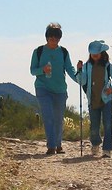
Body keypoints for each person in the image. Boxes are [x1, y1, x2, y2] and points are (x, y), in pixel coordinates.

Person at [30, 22, 77, 155]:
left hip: (60, 89)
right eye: (51, 37)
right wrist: (42, 70)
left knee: (58, 117)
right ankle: (51, 146)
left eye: (56, 37)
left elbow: (69, 69)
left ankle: (58, 144)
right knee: (48, 115)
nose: (54, 40)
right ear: (47, 37)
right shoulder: (38, 52)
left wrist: (80, 79)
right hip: (42, 88)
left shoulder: (63, 52)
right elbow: (33, 70)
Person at [75, 40, 112, 158]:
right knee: (94, 125)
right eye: (92, 54)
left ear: (101, 53)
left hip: (106, 99)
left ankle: (107, 149)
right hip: (93, 99)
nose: (94, 56)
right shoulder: (86, 66)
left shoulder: (108, 66)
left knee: (108, 124)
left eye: (96, 54)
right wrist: (79, 70)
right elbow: (82, 81)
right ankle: (95, 144)